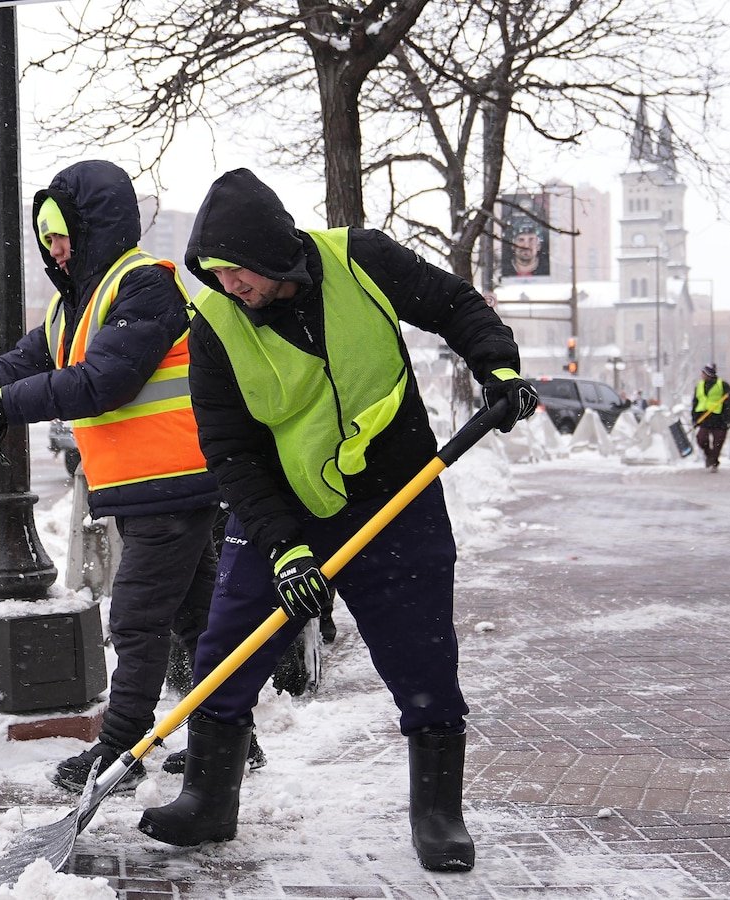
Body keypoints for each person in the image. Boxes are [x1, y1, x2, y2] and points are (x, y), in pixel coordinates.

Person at [136, 168, 537, 874]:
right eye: (218, 274)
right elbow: (230, 451)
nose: (231, 287)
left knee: (422, 655)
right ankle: (208, 798)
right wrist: (286, 550)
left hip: (397, 496)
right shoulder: (216, 327)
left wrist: (496, 367)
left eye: (239, 272)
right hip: (284, 507)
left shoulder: (362, 260)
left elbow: (453, 303)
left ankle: (438, 813)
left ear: (272, 253)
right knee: (228, 645)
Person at [0, 160, 239, 794]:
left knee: (135, 619)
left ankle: (120, 751)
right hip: (149, 486)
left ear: (94, 225)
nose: (53, 247)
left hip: (174, 482)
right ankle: (232, 734)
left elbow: (104, 383)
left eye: (60, 231)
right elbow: (10, 370)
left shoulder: (144, 289)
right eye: (44, 235)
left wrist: (9, 406)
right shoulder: (72, 308)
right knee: (195, 615)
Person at [690, 364, 730, 472]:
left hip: (719, 418)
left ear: (708, 374)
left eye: (703, 373)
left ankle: (714, 461)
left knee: (718, 442)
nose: (701, 375)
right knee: (701, 439)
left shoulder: (722, 385)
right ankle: (709, 456)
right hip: (704, 417)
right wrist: (694, 417)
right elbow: (695, 402)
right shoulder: (699, 386)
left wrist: (729, 418)